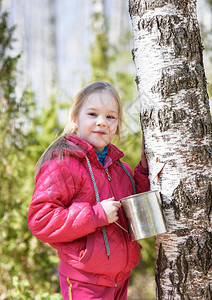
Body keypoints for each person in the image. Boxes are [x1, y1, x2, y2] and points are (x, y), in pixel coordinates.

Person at [27, 81, 150, 300]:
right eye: (93, 114)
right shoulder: (63, 164)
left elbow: (132, 207)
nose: (102, 122)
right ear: (75, 119)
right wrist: (96, 214)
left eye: (110, 117)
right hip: (84, 280)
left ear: (117, 125)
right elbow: (40, 219)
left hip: (120, 279)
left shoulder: (120, 167)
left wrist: (146, 168)